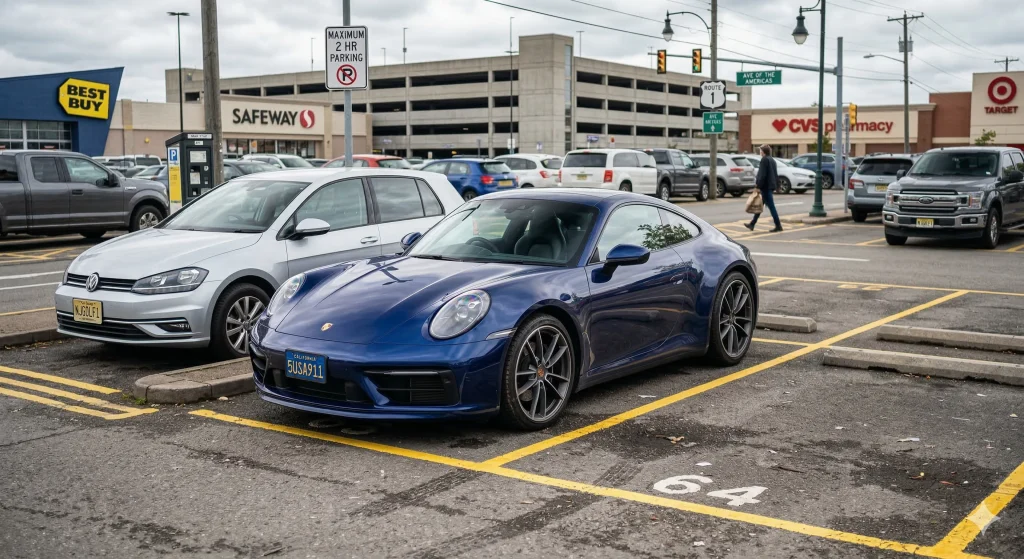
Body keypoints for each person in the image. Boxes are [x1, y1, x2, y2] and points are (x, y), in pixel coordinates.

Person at [745, 144, 783, 232]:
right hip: (770, 186)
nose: (760, 152)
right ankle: (752, 223)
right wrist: (777, 185)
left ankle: (778, 225)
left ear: (763, 152)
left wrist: (758, 185)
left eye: (760, 150)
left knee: (771, 207)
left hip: (765, 187)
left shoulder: (764, 160)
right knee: (760, 205)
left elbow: (762, 174)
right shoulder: (772, 160)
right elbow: (775, 174)